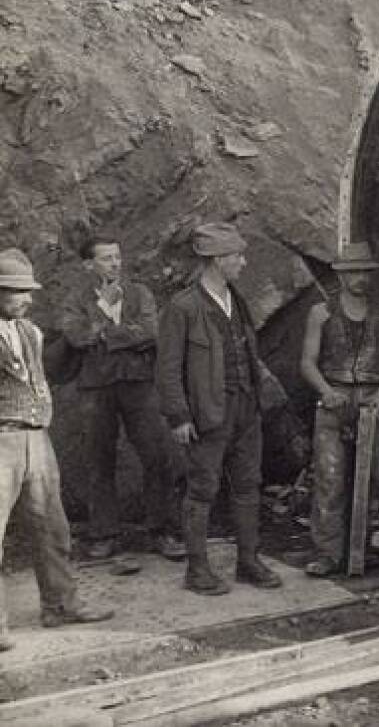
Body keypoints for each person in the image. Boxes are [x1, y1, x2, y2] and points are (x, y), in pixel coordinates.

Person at [158, 222, 283, 595]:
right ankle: (198, 570)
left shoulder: (236, 300)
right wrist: (179, 416)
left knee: (248, 486)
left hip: (246, 409)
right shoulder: (183, 307)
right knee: (201, 490)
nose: (243, 262)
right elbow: (167, 368)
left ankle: (248, 562)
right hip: (207, 413)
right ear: (215, 260)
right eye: (236, 256)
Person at [0, 248, 114, 649]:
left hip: (36, 437)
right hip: (2, 441)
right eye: (18, 291)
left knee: (52, 525)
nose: (29, 298)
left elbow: (45, 376)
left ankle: (61, 605)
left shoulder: (30, 332)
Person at [58, 237, 183, 563]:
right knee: (99, 459)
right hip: (95, 387)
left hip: (139, 384)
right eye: (106, 259)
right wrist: (106, 319)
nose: (115, 263)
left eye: (117, 256)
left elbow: (151, 331)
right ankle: (104, 534)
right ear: (89, 265)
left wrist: (102, 337)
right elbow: (75, 335)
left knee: (157, 454)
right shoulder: (76, 298)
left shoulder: (139, 292)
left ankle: (162, 530)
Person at [300, 243, 379, 578]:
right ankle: (327, 554)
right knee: (330, 480)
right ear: (341, 274)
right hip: (335, 401)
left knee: (371, 480)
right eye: (354, 272)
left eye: (365, 272)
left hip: (373, 402)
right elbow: (307, 362)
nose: (361, 279)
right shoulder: (322, 313)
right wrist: (326, 391)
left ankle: (361, 549)